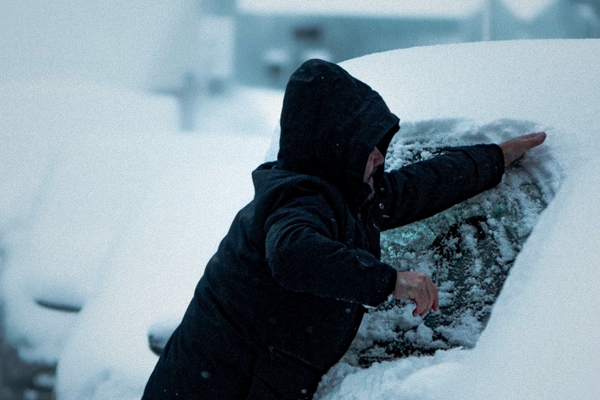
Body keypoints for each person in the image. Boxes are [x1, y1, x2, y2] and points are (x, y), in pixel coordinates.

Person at [142, 59, 546, 399]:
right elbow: (294, 253)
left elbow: (418, 187)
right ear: (334, 147)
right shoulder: (297, 202)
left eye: (379, 143)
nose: (378, 156)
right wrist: (391, 283)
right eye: (365, 145)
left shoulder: (345, 193)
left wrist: (494, 158)